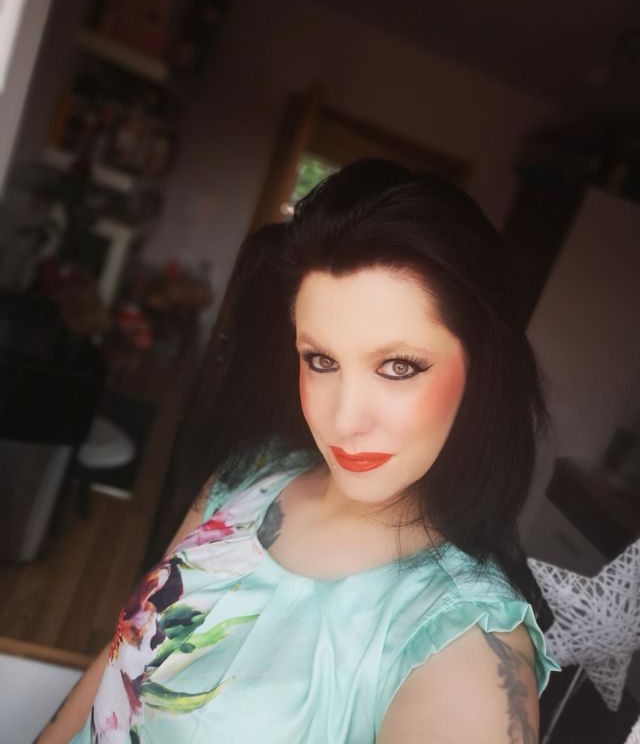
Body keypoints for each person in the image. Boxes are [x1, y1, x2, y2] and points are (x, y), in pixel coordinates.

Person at [39, 158, 560, 743]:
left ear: (483, 372)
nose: (345, 419)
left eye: (398, 367)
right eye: (321, 360)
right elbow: (124, 653)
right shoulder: (251, 477)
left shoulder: (466, 657)